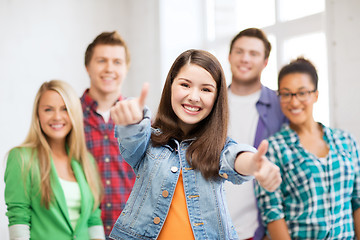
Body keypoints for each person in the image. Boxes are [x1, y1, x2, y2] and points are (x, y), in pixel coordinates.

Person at [108, 49, 281, 240]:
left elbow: (235, 158)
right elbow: (131, 139)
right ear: (171, 85)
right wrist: (131, 120)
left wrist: (256, 164)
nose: (194, 96)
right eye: (185, 85)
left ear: (216, 98)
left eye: (206, 89)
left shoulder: (218, 147)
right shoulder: (149, 140)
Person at [255, 57, 360, 239]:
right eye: (286, 94)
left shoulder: (346, 141)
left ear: (315, 95)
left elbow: (358, 200)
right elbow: (273, 213)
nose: (294, 102)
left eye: (302, 93)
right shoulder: (273, 149)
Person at [4, 80, 104, 240]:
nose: (57, 117)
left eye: (65, 109)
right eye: (48, 109)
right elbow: (18, 218)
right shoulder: (21, 158)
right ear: (37, 114)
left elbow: (93, 219)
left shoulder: (86, 161)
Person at [225, 27, 287, 240]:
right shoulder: (210, 102)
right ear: (229, 56)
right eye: (239, 51)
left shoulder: (280, 106)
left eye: (254, 54)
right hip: (210, 225)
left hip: (257, 229)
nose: (245, 59)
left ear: (265, 62)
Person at [80, 31, 136, 237]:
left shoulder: (139, 119)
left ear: (126, 68)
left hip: (130, 232)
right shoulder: (68, 117)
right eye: (101, 60)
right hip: (81, 230)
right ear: (88, 66)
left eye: (117, 62)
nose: (109, 68)